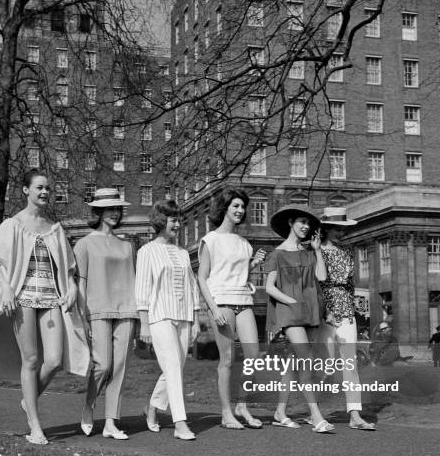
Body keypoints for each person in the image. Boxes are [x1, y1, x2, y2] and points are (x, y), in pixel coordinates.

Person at [0, 170, 90, 445]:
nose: (45, 192)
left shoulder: (55, 229)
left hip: (51, 300)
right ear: (26, 190)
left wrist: (71, 288)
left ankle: (29, 400)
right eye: (39, 187)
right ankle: (35, 426)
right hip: (22, 299)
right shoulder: (11, 226)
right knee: (32, 360)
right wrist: (7, 288)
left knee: (55, 360)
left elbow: (70, 268)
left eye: (48, 188)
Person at [198, 187, 266, 430]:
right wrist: (213, 308)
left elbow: (242, 275)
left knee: (253, 357)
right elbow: (202, 277)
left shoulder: (244, 243)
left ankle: (241, 406)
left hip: (244, 301)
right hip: (222, 302)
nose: (240, 210)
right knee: (227, 359)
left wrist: (254, 264)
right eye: (235, 206)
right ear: (225, 208)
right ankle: (226, 413)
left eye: (242, 206)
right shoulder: (210, 240)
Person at [265, 204, 335, 433]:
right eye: (301, 222)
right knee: (305, 359)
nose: (305, 227)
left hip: (311, 310)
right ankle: (316, 416)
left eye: (308, 223)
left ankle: (279, 411)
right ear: (290, 223)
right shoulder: (277, 254)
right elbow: (269, 288)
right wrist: (290, 301)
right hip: (289, 310)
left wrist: (316, 251)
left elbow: (322, 277)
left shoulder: (310, 252)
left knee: (294, 365)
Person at [74, 188, 137, 440]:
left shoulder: (127, 245)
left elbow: (133, 280)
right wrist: (81, 316)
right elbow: (80, 282)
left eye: (118, 208)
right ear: (98, 211)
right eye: (110, 208)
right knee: (103, 365)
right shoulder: (84, 244)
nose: (115, 213)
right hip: (97, 309)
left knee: (120, 367)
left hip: (127, 309)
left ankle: (111, 422)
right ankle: (89, 405)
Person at [136, 200, 200, 441]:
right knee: (172, 367)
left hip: (183, 315)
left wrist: (194, 318)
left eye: (179, 219)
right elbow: (141, 288)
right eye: (173, 219)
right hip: (159, 316)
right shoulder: (146, 251)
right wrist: (143, 323)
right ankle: (180, 423)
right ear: (161, 221)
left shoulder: (182, 253)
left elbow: (192, 286)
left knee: (176, 369)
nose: (177, 224)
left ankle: (152, 407)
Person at [316, 207, 375, 430]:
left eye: (342, 229)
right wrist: (324, 312)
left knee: (350, 366)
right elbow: (316, 285)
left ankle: (355, 415)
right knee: (326, 366)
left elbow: (349, 287)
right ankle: (317, 413)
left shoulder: (347, 253)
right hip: (324, 315)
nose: (340, 232)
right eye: (336, 228)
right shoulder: (315, 252)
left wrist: (350, 312)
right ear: (326, 229)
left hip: (346, 314)